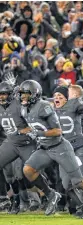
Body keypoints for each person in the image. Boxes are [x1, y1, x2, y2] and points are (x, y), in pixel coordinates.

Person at [18, 80, 83, 223]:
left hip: (62, 147)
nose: (23, 97)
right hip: (45, 148)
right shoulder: (26, 109)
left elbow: (58, 131)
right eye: (22, 95)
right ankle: (51, 195)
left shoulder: (47, 107)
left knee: (77, 182)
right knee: (28, 170)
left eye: (26, 94)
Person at [0, 81, 37, 214]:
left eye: (4, 94)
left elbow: (32, 122)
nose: (1, 97)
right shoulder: (2, 108)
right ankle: (14, 200)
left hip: (24, 143)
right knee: (10, 177)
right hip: (8, 144)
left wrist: (28, 133)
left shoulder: (19, 105)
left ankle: (39, 198)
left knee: (22, 174)